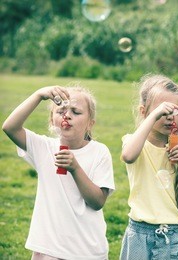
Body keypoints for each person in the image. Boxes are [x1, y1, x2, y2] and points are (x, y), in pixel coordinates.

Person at [2, 84, 115, 260]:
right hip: (49, 249)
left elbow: (98, 201)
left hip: (87, 251)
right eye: (60, 110)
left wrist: (75, 168)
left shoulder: (99, 152)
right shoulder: (44, 147)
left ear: (90, 124)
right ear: (51, 120)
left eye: (76, 112)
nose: (67, 115)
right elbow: (10, 127)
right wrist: (39, 95)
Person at [119, 74, 178, 260]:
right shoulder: (134, 143)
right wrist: (153, 115)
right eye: (161, 111)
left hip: (176, 235)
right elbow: (128, 156)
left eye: (175, 111)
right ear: (143, 112)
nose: (168, 117)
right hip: (140, 235)